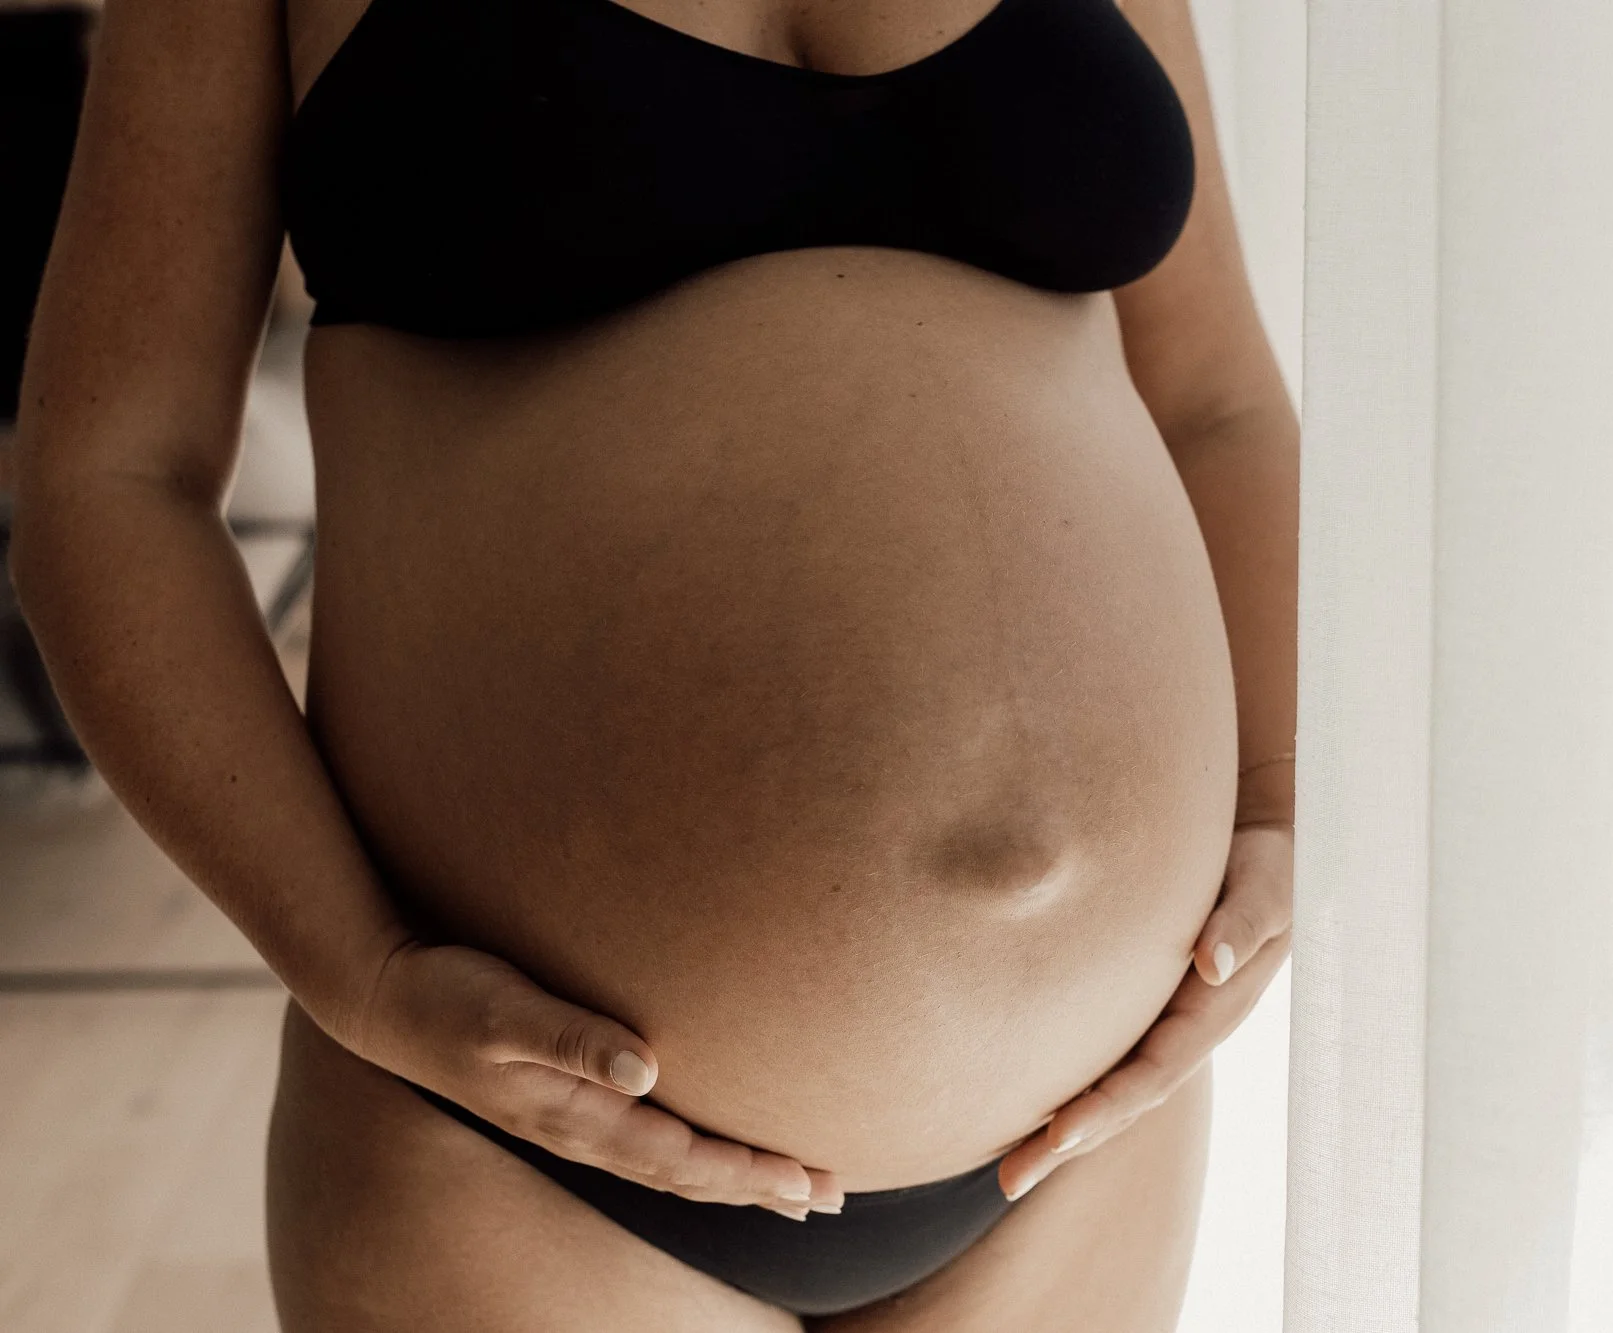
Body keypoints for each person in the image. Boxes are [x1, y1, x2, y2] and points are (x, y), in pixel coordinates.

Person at [10, 0, 1299, 1322]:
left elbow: (1218, 399)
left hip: (1084, 1132)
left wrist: (1274, 797)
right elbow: (110, 479)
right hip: (511, 1143)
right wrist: (362, 975)